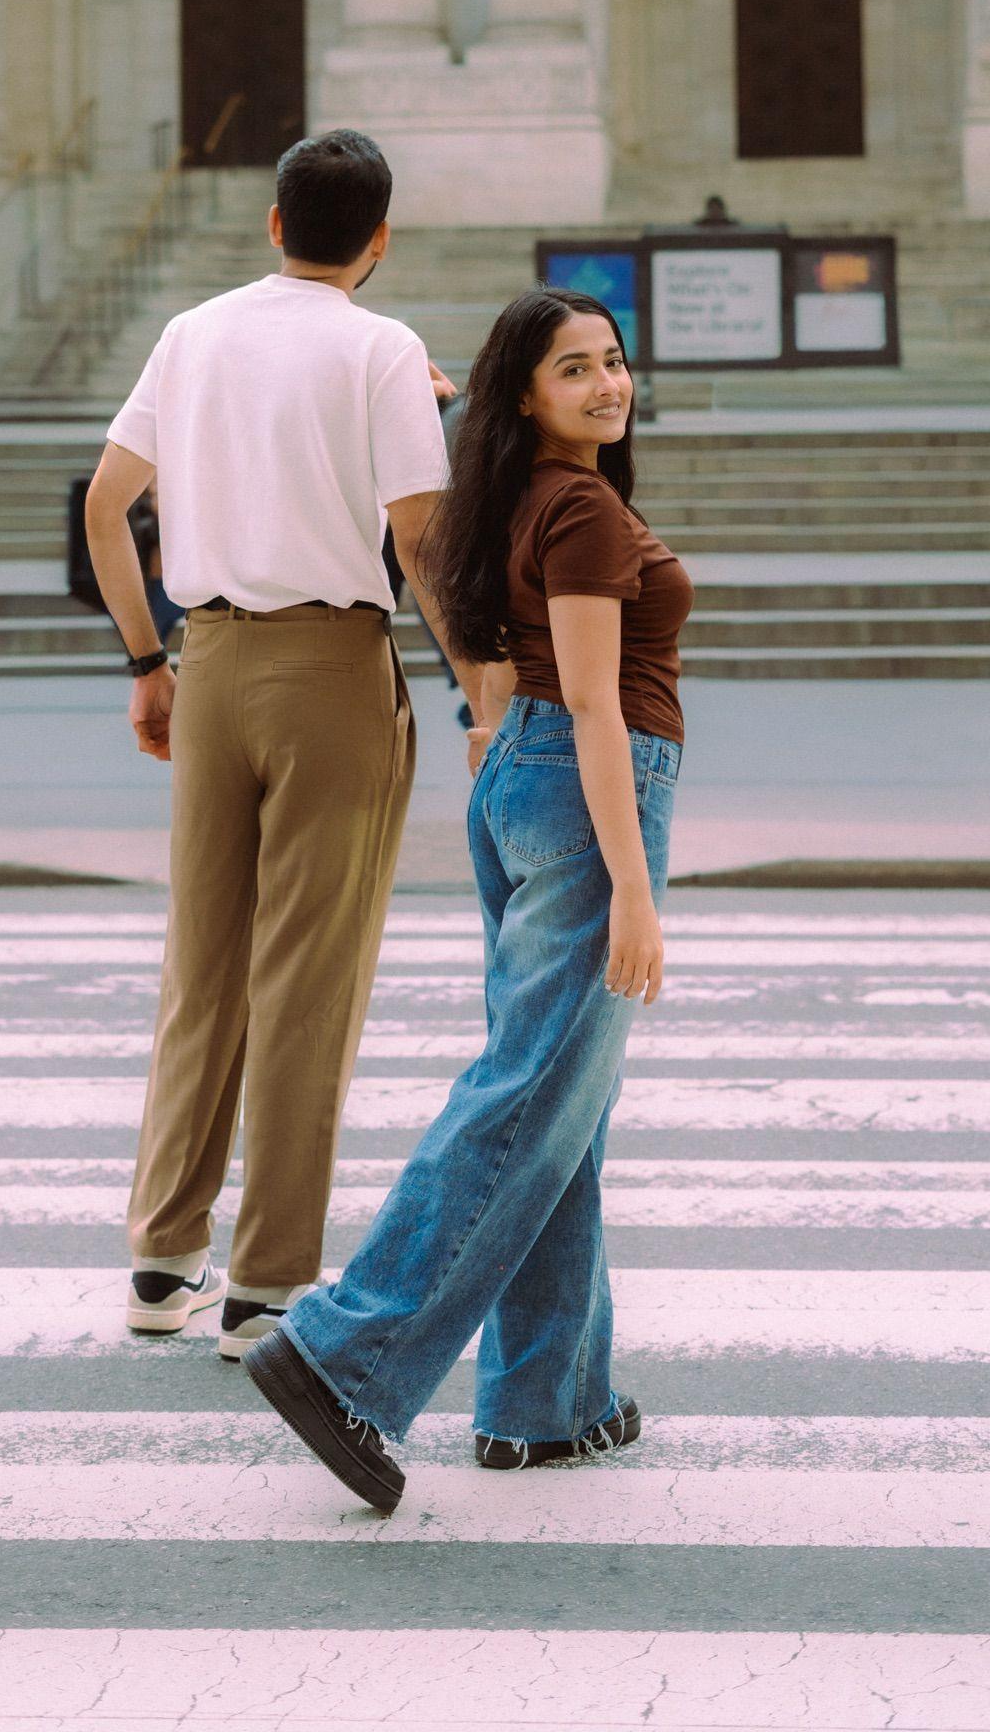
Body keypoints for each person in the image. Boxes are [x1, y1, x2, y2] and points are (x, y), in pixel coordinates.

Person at [243, 286, 694, 1514]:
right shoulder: (586, 510)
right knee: (527, 1097)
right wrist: (637, 893)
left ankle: (548, 1406)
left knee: (558, 1103)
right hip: (589, 791)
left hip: (519, 776)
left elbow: (517, 674)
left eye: (613, 361)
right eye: (573, 370)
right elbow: (599, 705)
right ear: (528, 394)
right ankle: (345, 1351)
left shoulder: (518, 497)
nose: (607, 383)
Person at [84, 131, 472, 1352]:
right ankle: (265, 1285)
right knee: (309, 974)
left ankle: (162, 1259)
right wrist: (482, 686)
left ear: (272, 223)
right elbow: (417, 538)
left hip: (206, 658)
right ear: (379, 240)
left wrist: (148, 663)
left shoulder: (193, 333)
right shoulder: (384, 348)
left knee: (202, 962)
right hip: (331, 666)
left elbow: (105, 506)